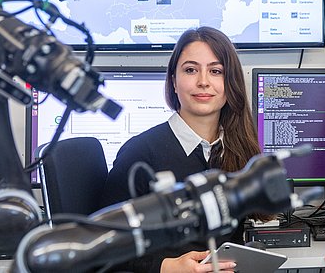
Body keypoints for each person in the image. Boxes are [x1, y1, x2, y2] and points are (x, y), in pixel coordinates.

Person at [100, 26, 263, 273]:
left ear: (230, 84)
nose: (203, 81)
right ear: (174, 82)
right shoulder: (139, 155)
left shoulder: (236, 150)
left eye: (216, 71)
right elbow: (102, 244)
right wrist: (165, 266)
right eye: (190, 70)